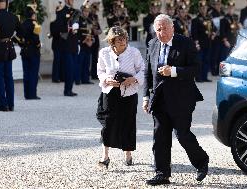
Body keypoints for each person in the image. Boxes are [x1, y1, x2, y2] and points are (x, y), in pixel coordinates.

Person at [143, 14, 209, 186]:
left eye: (164, 28)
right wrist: (145, 97)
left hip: (181, 98)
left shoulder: (185, 43)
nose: (161, 32)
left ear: (172, 28)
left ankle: (201, 162)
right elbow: (147, 74)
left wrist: (173, 71)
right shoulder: (152, 44)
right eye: (158, 29)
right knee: (160, 137)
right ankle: (162, 173)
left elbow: (195, 69)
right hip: (159, 99)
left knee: (182, 135)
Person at [96, 26, 144, 168]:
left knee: (128, 122)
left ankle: (128, 154)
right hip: (110, 92)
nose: (123, 41)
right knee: (108, 123)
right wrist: (106, 79)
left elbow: (142, 69)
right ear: (112, 41)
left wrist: (133, 79)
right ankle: (105, 157)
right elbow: (100, 71)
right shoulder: (104, 52)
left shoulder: (134, 52)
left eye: (125, 38)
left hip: (128, 92)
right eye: (119, 39)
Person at [0, 0, 23, 111]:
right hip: (10, 48)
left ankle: (3, 104)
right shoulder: (13, 17)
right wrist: (12, 39)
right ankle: (11, 104)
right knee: (9, 77)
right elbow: (21, 32)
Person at [56, 0, 79, 96]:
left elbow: (78, 26)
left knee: (73, 68)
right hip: (66, 44)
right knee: (69, 68)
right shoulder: (61, 11)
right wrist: (69, 28)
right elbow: (59, 27)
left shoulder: (76, 12)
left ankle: (70, 88)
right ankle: (67, 90)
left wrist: (76, 28)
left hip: (73, 44)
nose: (72, 1)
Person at [20, 4, 41, 100]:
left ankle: (26, 94)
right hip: (33, 52)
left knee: (26, 73)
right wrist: (39, 45)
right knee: (33, 73)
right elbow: (36, 39)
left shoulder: (22, 24)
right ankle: (32, 94)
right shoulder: (34, 24)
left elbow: (18, 39)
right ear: (33, 15)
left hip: (24, 51)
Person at [191, 0, 216, 82]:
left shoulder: (209, 18)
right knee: (199, 61)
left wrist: (213, 33)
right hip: (200, 43)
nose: (203, 9)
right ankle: (198, 77)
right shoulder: (196, 19)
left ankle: (205, 77)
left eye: (205, 8)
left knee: (206, 60)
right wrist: (196, 43)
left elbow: (214, 28)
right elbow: (194, 32)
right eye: (202, 8)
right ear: (199, 9)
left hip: (208, 43)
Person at [77, 2, 94, 85]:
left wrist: (91, 40)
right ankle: (78, 79)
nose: (87, 13)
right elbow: (77, 33)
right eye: (85, 11)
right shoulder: (78, 20)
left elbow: (92, 32)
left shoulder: (89, 20)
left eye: (88, 12)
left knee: (87, 63)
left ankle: (86, 79)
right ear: (82, 12)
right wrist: (83, 40)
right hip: (81, 44)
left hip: (88, 44)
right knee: (80, 62)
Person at [89, 2, 102, 80]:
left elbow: (99, 28)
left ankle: (94, 74)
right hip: (89, 38)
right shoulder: (88, 16)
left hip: (96, 39)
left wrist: (99, 31)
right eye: (94, 8)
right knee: (87, 58)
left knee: (95, 58)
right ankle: (86, 74)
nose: (95, 10)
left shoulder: (95, 16)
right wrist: (93, 30)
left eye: (96, 8)